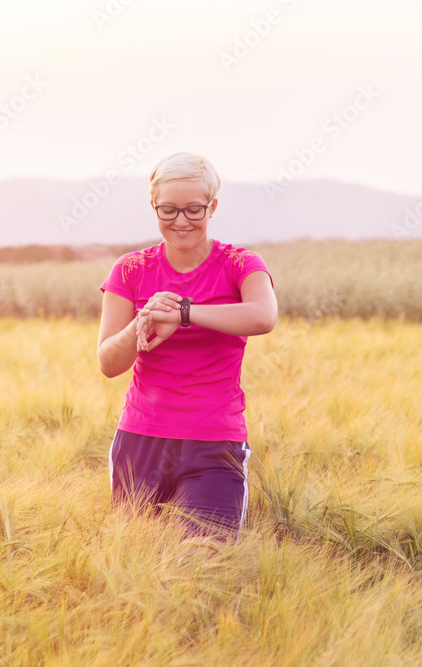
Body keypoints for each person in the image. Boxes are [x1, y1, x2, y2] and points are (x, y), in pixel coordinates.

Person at [97, 151, 277, 540]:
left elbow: (264, 316)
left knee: (204, 565)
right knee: (134, 562)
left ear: (213, 206)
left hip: (215, 443)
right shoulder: (130, 269)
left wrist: (183, 313)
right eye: (169, 210)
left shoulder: (239, 264)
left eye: (194, 210)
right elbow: (109, 363)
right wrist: (141, 324)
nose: (181, 221)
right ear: (153, 206)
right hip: (140, 441)